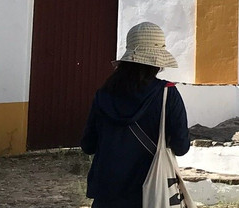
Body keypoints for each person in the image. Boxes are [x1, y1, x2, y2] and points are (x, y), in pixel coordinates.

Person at [81, 21, 190, 208]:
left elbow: (88, 145)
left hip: (107, 194)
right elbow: (181, 147)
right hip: (150, 194)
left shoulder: (104, 94)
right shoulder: (167, 94)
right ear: (157, 62)